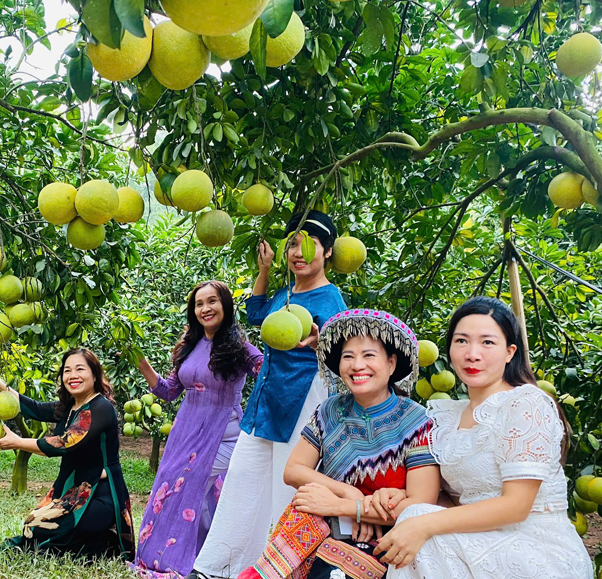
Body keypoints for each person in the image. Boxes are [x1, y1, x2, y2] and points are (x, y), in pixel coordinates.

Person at [379, 297, 592, 578]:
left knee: (419, 523)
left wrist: (424, 524)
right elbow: (459, 502)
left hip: (535, 548)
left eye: (487, 343)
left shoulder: (526, 404)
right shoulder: (446, 418)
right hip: (479, 539)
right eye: (462, 341)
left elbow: (516, 506)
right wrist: (398, 496)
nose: (472, 354)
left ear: (509, 352)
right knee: (415, 513)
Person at [191, 210, 347, 579]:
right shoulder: (286, 292)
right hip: (265, 401)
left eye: (309, 246)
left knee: (285, 484)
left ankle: (280, 567)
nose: (298, 252)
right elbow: (257, 313)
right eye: (293, 244)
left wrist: (320, 342)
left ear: (327, 253)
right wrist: (264, 271)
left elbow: (345, 351)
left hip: (301, 400)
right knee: (243, 478)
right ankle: (219, 566)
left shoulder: (331, 299)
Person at [239, 308, 441, 579]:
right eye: (348, 356)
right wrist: (349, 492)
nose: (357, 366)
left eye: (369, 355)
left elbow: (421, 504)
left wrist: (354, 509)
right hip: (327, 526)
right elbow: (295, 470)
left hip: (389, 535)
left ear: (391, 363)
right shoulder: (329, 410)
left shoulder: (417, 420)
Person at [132, 280, 263, 578]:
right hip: (186, 432)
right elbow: (168, 392)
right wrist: (142, 363)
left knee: (201, 492)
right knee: (172, 489)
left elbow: (267, 372)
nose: (205, 308)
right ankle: (167, 559)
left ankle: (204, 562)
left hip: (222, 433)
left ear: (225, 306)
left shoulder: (240, 349)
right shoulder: (189, 348)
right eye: (199, 303)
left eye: (212, 301)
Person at [0, 349, 135, 560]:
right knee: (34, 528)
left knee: (55, 540)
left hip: (102, 494)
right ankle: (91, 540)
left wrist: (17, 442)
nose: (73, 375)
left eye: (80, 369)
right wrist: (3, 388)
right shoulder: (71, 406)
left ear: (95, 374)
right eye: (67, 370)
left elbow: (65, 443)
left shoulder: (101, 408)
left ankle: (106, 543)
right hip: (75, 491)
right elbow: (34, 409)